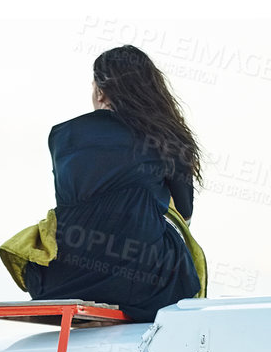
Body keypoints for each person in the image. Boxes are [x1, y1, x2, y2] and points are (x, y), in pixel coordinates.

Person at [22, 45, 203, 322]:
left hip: (65, 279)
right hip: (146, 281)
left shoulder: (62, 136)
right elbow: (184, 214)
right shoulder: (167, 136)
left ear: (100, 91)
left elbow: (74, 203)